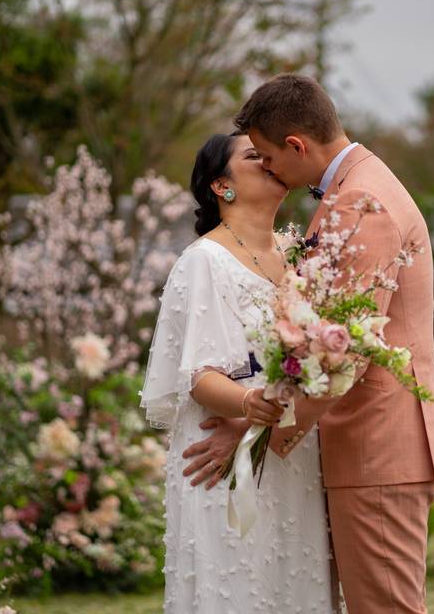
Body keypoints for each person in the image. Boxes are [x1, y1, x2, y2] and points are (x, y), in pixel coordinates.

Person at [180, 74, 434, 614]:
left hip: (378, 444)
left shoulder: (361, 202)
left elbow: (345, 354)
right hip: (370, 445)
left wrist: (257, 430)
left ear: (296, 145)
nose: (267, 169)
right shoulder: (353, 189)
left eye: (266, 156)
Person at [140, 133, 337, 612]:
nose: (269, 160)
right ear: (222, 187)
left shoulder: (300, 257)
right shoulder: (203, 261)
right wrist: (252, 406)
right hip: (223, 453)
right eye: (254, 156)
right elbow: (199, 377)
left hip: (294, 449)